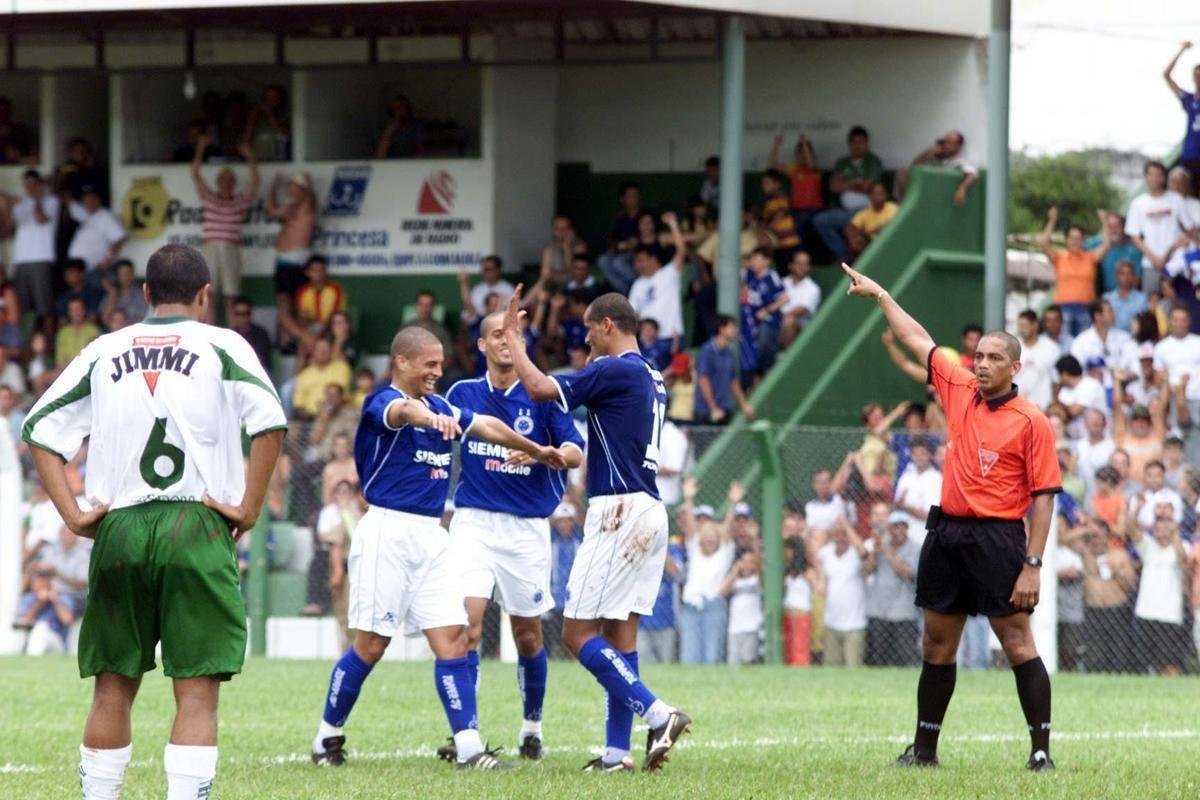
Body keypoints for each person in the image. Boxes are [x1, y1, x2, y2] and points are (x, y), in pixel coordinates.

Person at [22, 243, 287, 798]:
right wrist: (250, 507)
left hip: (119, 526)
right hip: (196, 524)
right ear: (205, 296)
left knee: (112, 686)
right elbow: (270, 422)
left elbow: (39, 428)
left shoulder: (104, 349)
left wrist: (73, 516)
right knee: (195, 691)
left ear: (144, 294)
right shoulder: (223, 344)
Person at [308, 325, 565, 771]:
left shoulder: (444, 404)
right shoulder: (381, 403)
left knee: (453, 637)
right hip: (388, 532)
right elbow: (404, 413)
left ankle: (469, 748)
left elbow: (486, 425)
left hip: (432, 536)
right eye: (429, 364)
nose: (437, 371)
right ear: (402, 362)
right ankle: (326, 737)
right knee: (371, 644)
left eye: (441, 364)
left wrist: (537, 450)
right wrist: (432, 418)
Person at [842, 260, 1061, 771]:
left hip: (1000, 539)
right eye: (979, 355)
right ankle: (924, 752)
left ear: (1015, 368)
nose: (981, 364)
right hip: (947, 534)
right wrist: (881, 296)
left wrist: (1032, 562)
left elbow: (1045, 496)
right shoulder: (959, 389)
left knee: (1016, 642)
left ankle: (1041, 752)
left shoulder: (1032, 422)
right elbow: (918, 339)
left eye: (993, 358)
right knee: (937, 643)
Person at [499, 287, 693, 773]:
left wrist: (515, 341)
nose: (584, 336)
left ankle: (658, 713)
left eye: (589, 327)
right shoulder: (649, 373)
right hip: (649, 506)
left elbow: (542, 389)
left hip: (618, 511)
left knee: (577, 632)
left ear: (608, 325)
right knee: (620, 634)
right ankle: (616, 754)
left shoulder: (614, 368)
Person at [439, 311, 584, 762]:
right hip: (474, 523)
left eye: (513, 335)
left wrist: (547, 457)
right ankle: (468, 735)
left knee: (528, 636)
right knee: (467, 625)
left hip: (525, 530)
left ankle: (531, 728)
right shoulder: (461, 393)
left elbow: (575, 452)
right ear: (481, 345)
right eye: (496, 334)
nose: (505, 341)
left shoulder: (542, 393)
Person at [192, 136, 259, 320]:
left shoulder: (240, 201)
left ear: (235, 184)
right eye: (223, 180)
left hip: (231, 247)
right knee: (209, 295)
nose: (227, 183)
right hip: (211, 247)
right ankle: (210, 334)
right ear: (218, 182)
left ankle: (232, 335)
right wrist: (200, 148)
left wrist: (249, 156)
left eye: (231, 181)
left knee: (232, 296)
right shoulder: (209, 197)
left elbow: (255, 181)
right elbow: (195, 174)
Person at [679, 479, 736, 665]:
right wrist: (688, 499)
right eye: (706, 537)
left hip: (714, 606)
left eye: (714, 537)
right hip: (691, 607)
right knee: (689, 656)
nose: (710, 539)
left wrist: (732, 504)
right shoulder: (694, 550)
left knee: (712, 656)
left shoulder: (724, 554)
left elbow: (727, 528)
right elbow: (690, 527)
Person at [813, 126, 884, 263]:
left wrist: (846, 183)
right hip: (845, 211)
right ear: (850, 144)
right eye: (854, 142)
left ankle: (859, 258)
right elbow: (834, 187)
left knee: (852, 229)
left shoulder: (873, 161)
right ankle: (844, 255)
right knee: (820, 220)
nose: (858, 145)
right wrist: (855, 184)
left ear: (867, 143)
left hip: (867, 210)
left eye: (861, 142)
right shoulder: (842, 163)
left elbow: (868, 186)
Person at [1131, 518, 1190, 675]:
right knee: (1144, 661)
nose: (1162, 533)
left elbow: (1184, 561)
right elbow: (1130, 530)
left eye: (1166, 529)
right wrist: (1137, 508)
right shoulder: (1148, 546)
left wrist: (1175, 534)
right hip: (1145, 612)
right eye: (1158, 529)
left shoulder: (1182, 546)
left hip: (1170, 614)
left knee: (1169, 662)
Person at [1039, 206, 1109, 336]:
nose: (1075, 242)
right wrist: (1052, 221)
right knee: (1065, 342)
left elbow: (1106, 244)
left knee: (1083, 343)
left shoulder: (1090, 257)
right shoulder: (1060, 258)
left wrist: (1105, 222)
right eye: (1071, 238)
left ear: (1083, 240)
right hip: (1063, 307)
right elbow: (1043, 243)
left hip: (1086, 307)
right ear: (1066, 240)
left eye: (1078, 238)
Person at [4, 170, 59, 335]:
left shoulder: (51, 201)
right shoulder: (21, 205)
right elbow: (8, 228)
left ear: (40, 184)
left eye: (33, 184)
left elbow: (41, 218)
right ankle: (26, 344)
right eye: (27, 184)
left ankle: (48, 342)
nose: (30, 187)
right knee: (23, 306)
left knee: (45, 306)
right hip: (21, 260)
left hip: (41, 257)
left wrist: (37, 198)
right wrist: (7, 205)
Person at [865, 509, 922, 667]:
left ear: (907, 528)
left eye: (901, 526)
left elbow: (907, 573)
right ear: (889, 528)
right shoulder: (881, 545)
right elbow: (867, 570)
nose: (898, 531)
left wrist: (886, 549)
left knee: (905, 662)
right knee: (877, 662)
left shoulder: (915, 548)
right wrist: (876, 551)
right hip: (879, 611)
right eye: (894, 527)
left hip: (903, 614)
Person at [266, 171, 316, 348]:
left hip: (297, 263)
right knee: (284, 310)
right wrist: (274, 186)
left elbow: (310, 200)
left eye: (295, 189)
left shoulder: (307, 209)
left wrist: (308, 186)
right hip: (283, 263)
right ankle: (297, 341)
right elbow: (271, 210)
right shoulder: (290, 209)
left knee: (299, 311)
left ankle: (306, 340)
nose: (292, 192)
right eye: (290, 189)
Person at [1126, 161, 1192, 295]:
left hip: (1176, 263)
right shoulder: (1138, 203)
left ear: (1164, 178)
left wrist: (1174, 247)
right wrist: (1154, 259)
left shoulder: (1176, 199)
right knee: (1152, 305)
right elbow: (1134, 236)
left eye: (1159, 175)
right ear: (1146, 177)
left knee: (1178, 303)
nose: (1155, 178)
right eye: (1151, 174)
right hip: (1150, 264)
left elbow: (1190, 229)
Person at [317, 479, 364, 652]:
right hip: (346, 569)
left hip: (362, 570)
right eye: (340, 492)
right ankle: (349, 652)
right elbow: (334, 544)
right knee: (345, 615)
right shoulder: (336, 514)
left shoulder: (359, 514)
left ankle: (355, 652)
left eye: (348, 492)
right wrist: (337, 573)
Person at [629, 211, 686, 348]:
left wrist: (673, 225)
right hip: (647, 341)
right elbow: (632, 315)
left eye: (641, 260)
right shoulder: (637, 284)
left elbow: (682, 250)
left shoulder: (668, 273)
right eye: (636, 261)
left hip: (671, 338)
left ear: (653, 259)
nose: (637, 265)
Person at [694, 314, 754, 424]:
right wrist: (713, 408)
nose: (736, 330)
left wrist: (744, 405)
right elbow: (703, 380)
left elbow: (733, 381)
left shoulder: (729, 352)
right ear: (721, 329)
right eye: (732, 327)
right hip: (706, 412)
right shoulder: (707, 351)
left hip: (725, 409)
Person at [67, 185, 127, 291]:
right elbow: (71, 205)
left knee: (96, 301)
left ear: (98, 199)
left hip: (96, 271)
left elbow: (120, 237)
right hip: (82, 272)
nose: (89, 201)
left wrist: (108, 259)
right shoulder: (87, 216)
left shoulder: (105, 216)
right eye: (86, 199)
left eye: (92, 198)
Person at [897, 130, 979, 206]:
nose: (945, 145)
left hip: (940, 195)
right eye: (944, 142)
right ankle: (902, 203)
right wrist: (928, 154)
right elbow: (914, 167)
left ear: (958, 146)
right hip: (924, 191)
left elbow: (972, 174)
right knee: (903, 172)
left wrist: (962, 189)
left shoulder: (959, 161)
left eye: (949, 143)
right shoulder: (934, 159)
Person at [639, 532, 685, 664]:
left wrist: (659, 548)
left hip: (667, 620)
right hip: (641, 620)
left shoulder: (673, 548)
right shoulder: (638, 546)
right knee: (643, 664)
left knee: (666, 662)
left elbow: (677, 573)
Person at [741, 246, 788, 376]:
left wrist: (766, 311)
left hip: (768, 323)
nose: (753, 262)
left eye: (756, 259)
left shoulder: (771, 277)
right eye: (752, 259)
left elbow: (785, 298)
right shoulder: (751, 276)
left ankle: (764, 371)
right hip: (751, 323)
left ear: (767, 261)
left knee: (763, 345)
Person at [16, 563, 79, 655]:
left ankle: (33, 660)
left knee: (42, 627)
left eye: (44, 581)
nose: (40, 585)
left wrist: (55, 600)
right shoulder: (28, 598)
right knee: (39, 629)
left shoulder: (62, 597)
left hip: (57, 641)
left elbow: (68, 620)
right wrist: (40, 603)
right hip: (30, 637)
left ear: (50, 583)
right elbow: (25, 621)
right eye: (38, 581)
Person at [768, 134, 823, 236]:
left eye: (805, 152)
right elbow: (771, 164)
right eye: (800, 152)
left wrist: (804, 143)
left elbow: (810, 163)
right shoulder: (794, 169)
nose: (803, 155)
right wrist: (776, 145)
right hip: (796, 210)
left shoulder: (816, 168)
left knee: (801, 223)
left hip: (813, 210)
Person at [1164, 41, 1200, 196]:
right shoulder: (1189, 99)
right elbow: (1166, 75)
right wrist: (1181, 50)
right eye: (1196, 76)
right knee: (1180, 191)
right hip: (1190, 155)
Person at [598, 182, 644, 294]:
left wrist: (636, 241)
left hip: (640, 252)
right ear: (622, 199)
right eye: (630, 196)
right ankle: (626, 292)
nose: (634, 199)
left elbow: (653, 236)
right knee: (603, 260)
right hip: (622, 252)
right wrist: (619, 245)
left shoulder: (646, 215)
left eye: (636, 195)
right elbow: (612, 240)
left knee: (619, 262)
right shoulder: (620, 218)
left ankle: (641, 286)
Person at [721, 546, 764, 665]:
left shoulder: (756, 579)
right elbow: (722, 591)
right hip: (735, 628)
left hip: (752, 627)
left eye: (751, 562)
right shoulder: (735, 580)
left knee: (748, 660)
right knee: (733, 661)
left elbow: (762, 581)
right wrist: (735, 570)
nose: (747, 566)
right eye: (744, 562)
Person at [1085, 211, 1144, 293]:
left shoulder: (1134, 249)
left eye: (1117, 226)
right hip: (1103, 295)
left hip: (1127, 295)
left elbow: (1137, 279)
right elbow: (1078, 250)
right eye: (1109, 226)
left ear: (1124, 227)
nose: (1113, 230)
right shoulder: (1098, 242)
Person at [1015, 309, 1061, 411]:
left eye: (1025, 326)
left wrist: (1054, 403)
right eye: (1020, 326)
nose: (1022, 330)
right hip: (1018, 406)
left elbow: (1056, 379)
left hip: (1043, 407)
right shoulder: (1013, 346)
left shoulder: (1051, 347)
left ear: (1035, 325)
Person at [844, 182, 899, 262]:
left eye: (882, 193)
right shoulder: (866, 212)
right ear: (870, 196)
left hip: (891, 243)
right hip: (872, 246)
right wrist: (854, 238)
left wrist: (871, 231)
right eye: (877, 193)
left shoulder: (893, 208)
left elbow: (892, 227)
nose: (881, 196)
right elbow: (850, 227)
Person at [781, 250, 821, 347]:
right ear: (791, 265)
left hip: (801, 327)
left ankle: (785, 355)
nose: (801, 267)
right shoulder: (782, 282)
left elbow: (801, 311)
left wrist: (777, 318)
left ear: (809, 267)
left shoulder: (813, 288)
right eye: (798, 264)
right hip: (778, 320)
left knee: (788, 320)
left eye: (805, 264)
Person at [241, 84, 291, 162]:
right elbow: (245, 142)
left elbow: (283, 135)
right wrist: (252, 119)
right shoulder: (257, 116)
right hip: (258, 160)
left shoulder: (284, 116)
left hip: (278, 160)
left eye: (273, 98)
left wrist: (270, 115)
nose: (269, 101)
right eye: (267, 98)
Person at [1102, 261, 1149, 333]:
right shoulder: (1107, 298)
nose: (1126, 277)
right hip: (1111, 339)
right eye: (1122, 274)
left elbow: (1143, 326)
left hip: (1132, 340)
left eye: (1129, 273)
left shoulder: (1142, 299)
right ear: (1116, 277)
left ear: (1134, 277)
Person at [227, 295, 272, 369]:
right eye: (238, 313)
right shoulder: (229, 335)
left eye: (245, 313)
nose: (242, 317)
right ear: (233, 315)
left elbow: (261, 361)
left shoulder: (261, 333)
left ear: (251, 314)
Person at [374, 94, 424, 159]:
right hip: (390, 165)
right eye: (398, 107)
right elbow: (379, 156)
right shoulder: (383, 127)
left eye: (404, 107)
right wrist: (388, 131)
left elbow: (421, 150)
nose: (401, 110)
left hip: (410, 163)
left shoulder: (416, 126)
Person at [100, 259, 149, 325]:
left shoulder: (141, 295)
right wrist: (113, 294)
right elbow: (105, 320)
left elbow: (145, 320)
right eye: (122, 274)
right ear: (117, 276)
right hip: (114, 333)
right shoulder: (110, 295)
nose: (125, 277)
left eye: (128, 273)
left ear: (133, 274)